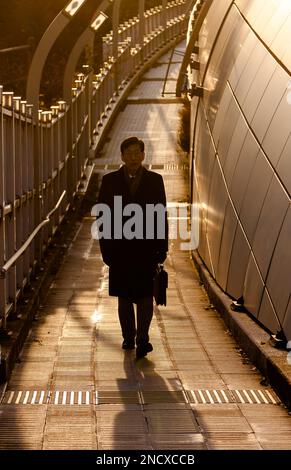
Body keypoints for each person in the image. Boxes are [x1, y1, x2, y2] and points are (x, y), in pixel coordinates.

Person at [96, 136, 168, 359]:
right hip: (119, 250)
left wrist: (162, 248)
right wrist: (106, 250)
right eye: (129, 153)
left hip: (146, 249)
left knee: (146, 297)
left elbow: (161, 216)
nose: (134, 157)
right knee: (125, 298)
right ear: (122, 156)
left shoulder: (155, 180)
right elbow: (102, 217)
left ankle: (143, 339)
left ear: (144, 155)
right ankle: (128, 336)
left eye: (138, 153)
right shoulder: (110, 181)